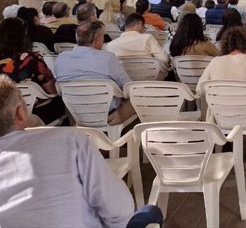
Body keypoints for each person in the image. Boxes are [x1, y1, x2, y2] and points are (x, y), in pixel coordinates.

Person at [0, 77, 163, 228]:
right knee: (151, 212)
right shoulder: (70, 141)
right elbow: (120, 211)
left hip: (79, 114)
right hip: (106, 113)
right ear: (21, 113)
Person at [54, 21, 135, 125]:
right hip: (106, 114)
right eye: (102, 37)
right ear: (96, 40)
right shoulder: (107, 58)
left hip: (75, 114)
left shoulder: (61, 58)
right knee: (137, 96)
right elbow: (128, 87)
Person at [0, 18, 64, 125]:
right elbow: (51, 90)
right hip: (29, 113)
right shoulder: (32, 59)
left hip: (2, 114)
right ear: (24, 36)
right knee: (63, 101)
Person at [105, 13, 169, 66]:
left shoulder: (110, 45)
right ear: (139, 24)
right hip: (151, 77)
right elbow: (164, 59)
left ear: (125, 27)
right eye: (144, 27)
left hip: (123, 79)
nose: (144, 30)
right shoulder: (147, 38)